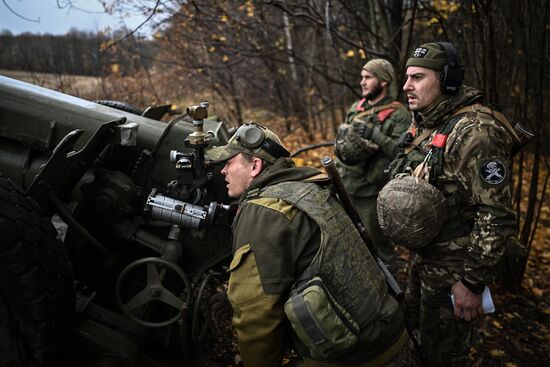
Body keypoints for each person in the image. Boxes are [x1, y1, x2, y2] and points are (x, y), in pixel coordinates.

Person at [207, 123, 408, 367]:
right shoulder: (308, 187)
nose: (223, 170)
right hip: (390, 330)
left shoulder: (262, 212)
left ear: (255, 166)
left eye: (229, 162)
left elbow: (257, 318)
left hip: (357, 355)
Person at [381, 42, 518, 366]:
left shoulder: (475, 133)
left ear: (448, 80)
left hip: (456, 268)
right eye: (406, 77)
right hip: (425, 258)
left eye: (418, 77)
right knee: (414, 339)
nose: (406, 86)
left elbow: (496, 215)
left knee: (443, 355)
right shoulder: (428, 121)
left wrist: (472, 282)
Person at [334, 59, 411, 272]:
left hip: (371, 192)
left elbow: (401, 152)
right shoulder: (355, 108)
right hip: (345, 185)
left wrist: (375, 135)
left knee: (379, 248)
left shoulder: (400, 115)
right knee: (348, 242)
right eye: (361, 77)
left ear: (384, 81)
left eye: (368, 77)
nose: (362, 82)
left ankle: (392, 289)